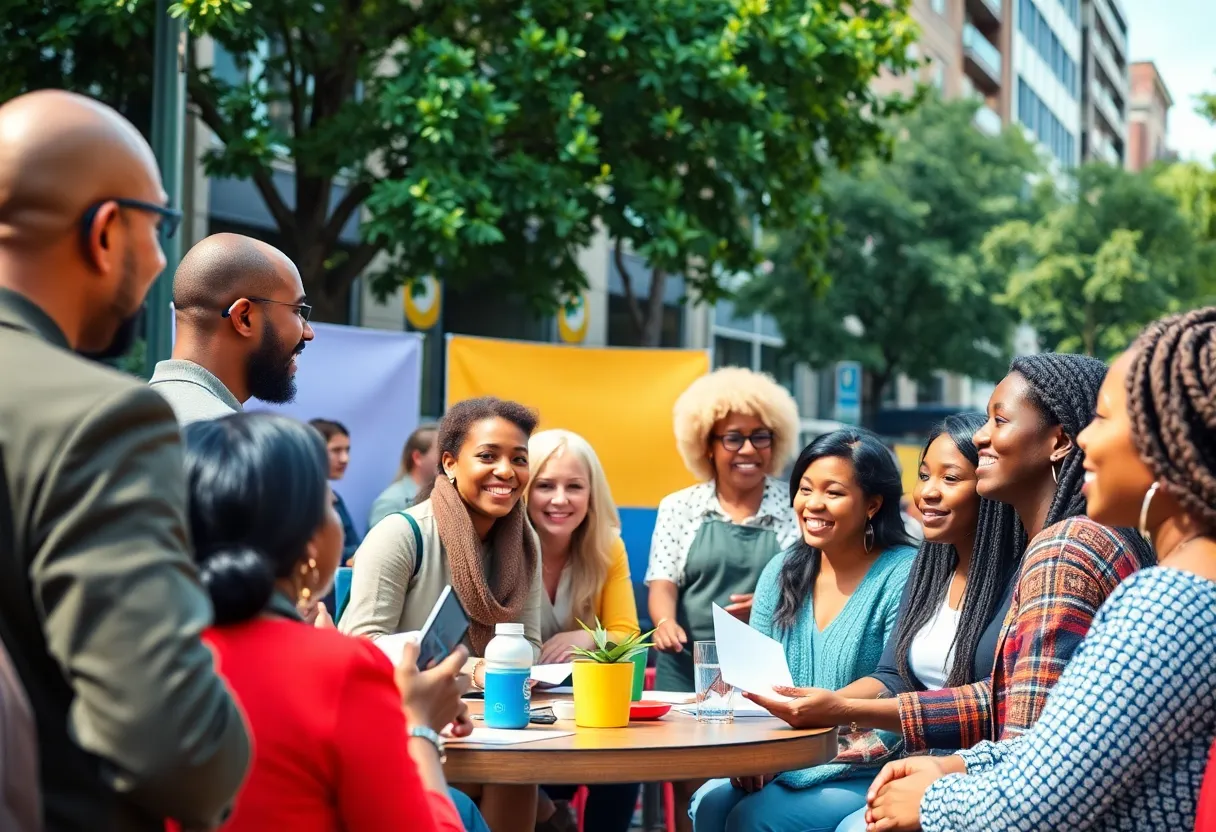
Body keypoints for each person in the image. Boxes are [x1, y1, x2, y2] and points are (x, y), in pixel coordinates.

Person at [864, 308, 1216, 831]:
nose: (1089, 438)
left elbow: (1034, 804)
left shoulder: (1157, 596)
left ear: (1167, 439)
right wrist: (957, 763)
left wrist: (932, 799)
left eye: (1107, 418)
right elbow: (1063, 746)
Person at [0, 90, 249, 830]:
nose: (166, 258)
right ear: (106, 231)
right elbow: (180, 754)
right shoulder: (100, 419)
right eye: (160, 224)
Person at [177, 412, 488, 832]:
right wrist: (420, 730)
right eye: (328, 502)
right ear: (309, 542)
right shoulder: (342, 668)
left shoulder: (143, 652)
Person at [689, 429, 917, 832]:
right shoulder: (780, 570)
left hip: (869, 760)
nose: (812, 504)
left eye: (833, 492)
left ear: (872, 504)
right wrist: (754, 756)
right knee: (708, 803)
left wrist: (821, 708)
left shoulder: (903, 571)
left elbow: (896, 678)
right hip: (782, 750)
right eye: (805, 489)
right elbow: (749, 678)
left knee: (753, 818)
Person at [341, 396, 545, 832]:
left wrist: (500, 670)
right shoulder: (401, 534)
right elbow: (359, 647)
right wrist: (474, 670)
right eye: (488, 456)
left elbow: (529, 643)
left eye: (519, 459)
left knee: (518, 774)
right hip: (401, 726)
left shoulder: (525, 543)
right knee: (511, 778)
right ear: (449, 463)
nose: (507, 472)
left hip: (490, 725)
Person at [525, 430, 641, 832]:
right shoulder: (501, 548)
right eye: (545, 485)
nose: (561, 499)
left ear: (592, 494)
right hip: (517, 713)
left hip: (584, 711)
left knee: (623, 770)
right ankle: (549, 815)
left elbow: (627, 633)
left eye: (574, 486)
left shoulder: (608, 547)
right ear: (524, 490)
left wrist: (586, 637)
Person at [150, 232, 314, 423]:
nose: (309, 333)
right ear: (244, 317)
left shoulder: (123, 420)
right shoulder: (230, 442)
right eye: (297, 311)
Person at [310, 418, 362, 564]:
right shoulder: (299, 499)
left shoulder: (335, 498)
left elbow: (354, 546)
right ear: (313, 450)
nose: (345, 459)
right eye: (336, 450)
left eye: (347, 450)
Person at [370, 423, 441, 528]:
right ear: (417, 458)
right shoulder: (390, 502)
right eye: (440, 452)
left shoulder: (442, 497)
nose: (446, 458)